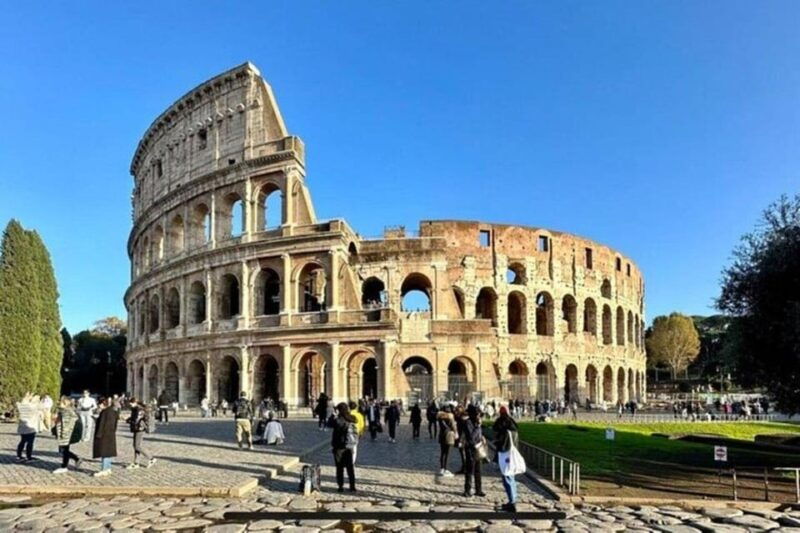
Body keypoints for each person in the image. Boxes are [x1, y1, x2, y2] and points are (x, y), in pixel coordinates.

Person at [493, 405, 519, 512]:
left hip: (506, 455)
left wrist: (497, 441)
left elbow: (501, 443)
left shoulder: (505, 430)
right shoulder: (513, 426)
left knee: (507, 478)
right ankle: (513, 500)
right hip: (511, 454)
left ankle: (512, 503)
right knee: (511, 478)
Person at [330, 402, 357, 492]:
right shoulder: (352, 418)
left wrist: (333, 415)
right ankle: (352, 486)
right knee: (350, 467)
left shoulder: (338, 420)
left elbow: (329, 424)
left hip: (339, 446)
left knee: (339, 467)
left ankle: (340, 486)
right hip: (349, 445)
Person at [461, 404, 485, 497]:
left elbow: (479, 434)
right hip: (470, 448)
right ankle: (467, 490)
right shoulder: (467, 422)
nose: (478, 415)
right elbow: (471, 437)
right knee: (470, 470)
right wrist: (478, 426)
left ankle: (478, 489)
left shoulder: (476, 422)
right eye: (477, 414)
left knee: (478, 470)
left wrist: (482, 437)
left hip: (478, 447)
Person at [52, 395, 81, 474]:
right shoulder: (62, 411)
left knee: (64, 449)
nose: (59, 403)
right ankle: (73, 460)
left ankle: (65, 465)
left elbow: (68, 423)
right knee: (64, 449)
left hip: (66, 434)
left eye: (61, 402)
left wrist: (64, 431)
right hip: (63, 433)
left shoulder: (67, 411)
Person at [125, 398, 155, 469]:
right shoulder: (136, 409)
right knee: (135, 445)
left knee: (137, 446)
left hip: (139, 428)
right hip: (136, 428)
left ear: (135, 403)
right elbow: (134, 418)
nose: (130, 405)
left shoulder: (139, 409)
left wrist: (128, 420)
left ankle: (151, 458)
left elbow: (137, 420)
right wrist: (128, 419)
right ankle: (136, 462)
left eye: (131, 403)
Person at [93, 397, 119, 477]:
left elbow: (102, 424)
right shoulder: (113, 411)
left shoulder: (104, 412)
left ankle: (104, 469)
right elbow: (115, 424)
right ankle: (108, 468)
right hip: (111, 434)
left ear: (102, 404)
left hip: (104, 435)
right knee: (108, 453)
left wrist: (98, 435)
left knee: (104, 453)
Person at [16, 394, 42, 462]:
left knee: (22, 441)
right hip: (30, 427)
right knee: (30, 443)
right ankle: (28, 457)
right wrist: (36, 400)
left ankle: (19, 456)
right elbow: (40, 408)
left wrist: (29, 398)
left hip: (22, 428)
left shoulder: (21, 406)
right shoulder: (33, 407)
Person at [436, 405, 457, 476]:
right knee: (448, 454)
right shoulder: (450, 417)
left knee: (443, 453)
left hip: (442, 435)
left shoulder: (440, 417)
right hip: (449, 435)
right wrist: (455, 432)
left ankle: (442, 468)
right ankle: (446, 469)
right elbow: (453, 427)